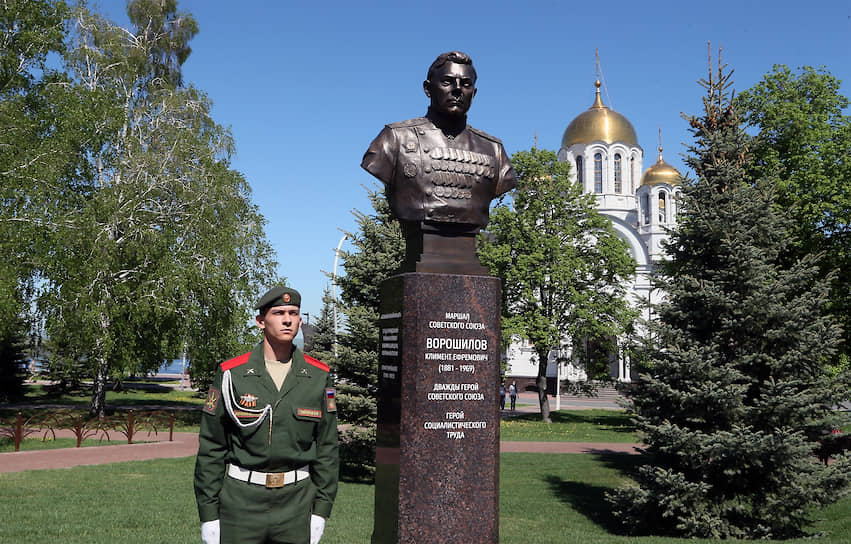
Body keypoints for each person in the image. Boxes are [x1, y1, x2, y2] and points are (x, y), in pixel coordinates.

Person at [194, 286, 338, 544]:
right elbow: (211, 447)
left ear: (300, 320)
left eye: (293, 313)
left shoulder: (317, 377)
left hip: (297, 504)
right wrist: (208, 514)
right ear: (260, 321)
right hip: (241, 503)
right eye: (279, 312)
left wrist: (321, 511)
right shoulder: (232, 374)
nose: (287, 319)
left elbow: (327, 447)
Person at [362, 51, 517, 272]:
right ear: (427, 88)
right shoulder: (394, 138)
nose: (457, 90)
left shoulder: (494, 150)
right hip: (421, 249)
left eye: (465, 84)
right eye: (447, 82)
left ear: (474, 93)